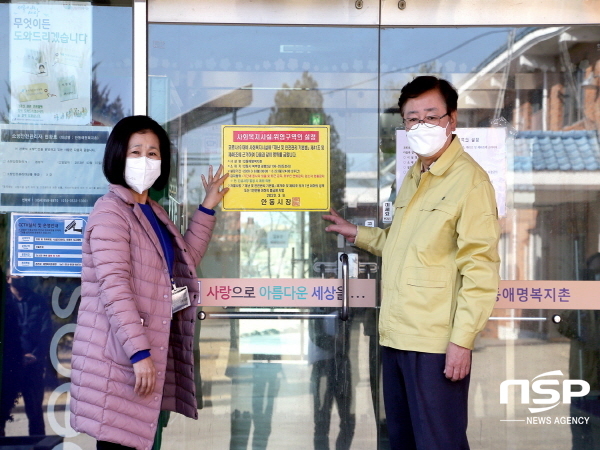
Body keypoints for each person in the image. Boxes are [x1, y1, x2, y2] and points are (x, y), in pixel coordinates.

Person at [323, 76, 500, 450]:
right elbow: (402, 244)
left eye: (431, 116)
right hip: (398, 336)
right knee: (403, 440)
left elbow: (480, 268)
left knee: (439, 442)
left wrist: (462, 341)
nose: (421, 126)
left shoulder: (470, 181)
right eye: (411, 119)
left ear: (451, 120)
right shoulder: (414, 176)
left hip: (436, 343)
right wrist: (357, 233)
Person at [69, 115, 228, 450]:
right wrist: (139, 353)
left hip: (140, 354)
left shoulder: (150, 211)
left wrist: (208, 207)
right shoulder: (111, 213)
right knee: (118, 442)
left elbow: (184, 262)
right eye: (136, 151)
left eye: (153, 153)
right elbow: (116, 291)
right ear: (117, 156)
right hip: (122, 359)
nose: (146, 160)